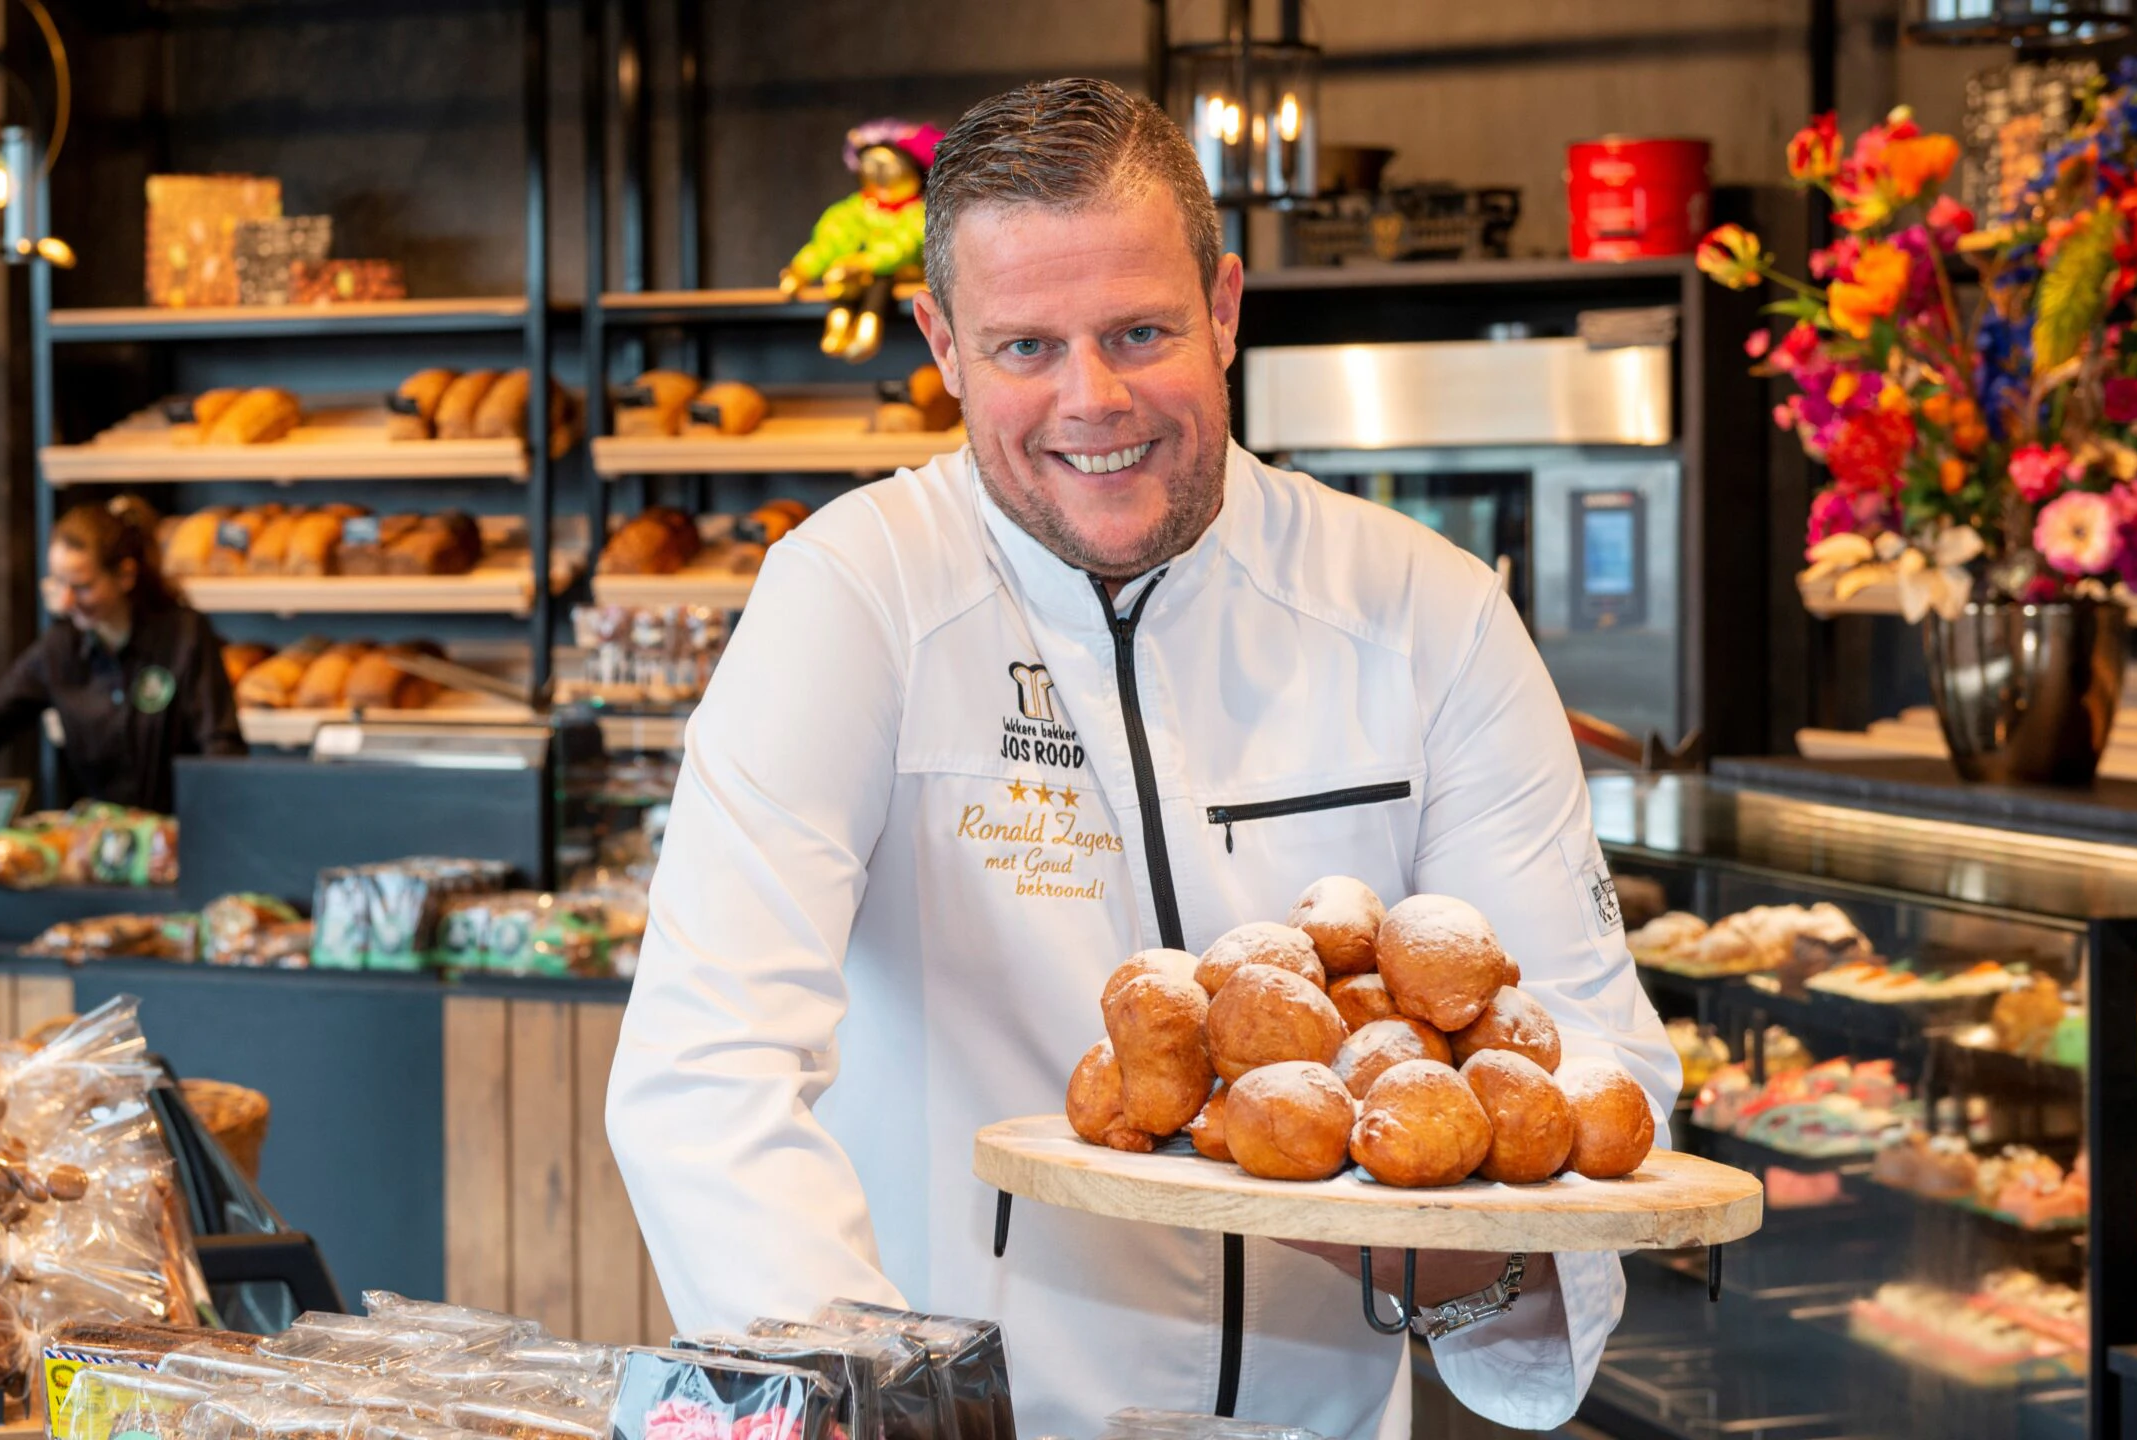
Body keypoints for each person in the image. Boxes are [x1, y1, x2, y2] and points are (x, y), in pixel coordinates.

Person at [605, 78, 1679, 1440]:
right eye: (1025, 348)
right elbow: (706, 1080)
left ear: (1226, 308)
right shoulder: (853, 597)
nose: (1090, 402)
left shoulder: (1427, 610)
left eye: (1142, 331)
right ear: (941, 342)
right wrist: (887, 1420)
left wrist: (1440, 1244)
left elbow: (1587, 1078)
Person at [0, 497, 243, 812]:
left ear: (125, 576)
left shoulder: (184, 636)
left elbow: (221, 747)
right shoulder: (60, 649)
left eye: (82, 586)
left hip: (183, 838)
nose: (65, 601)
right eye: (58, 583)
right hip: (100, 843)